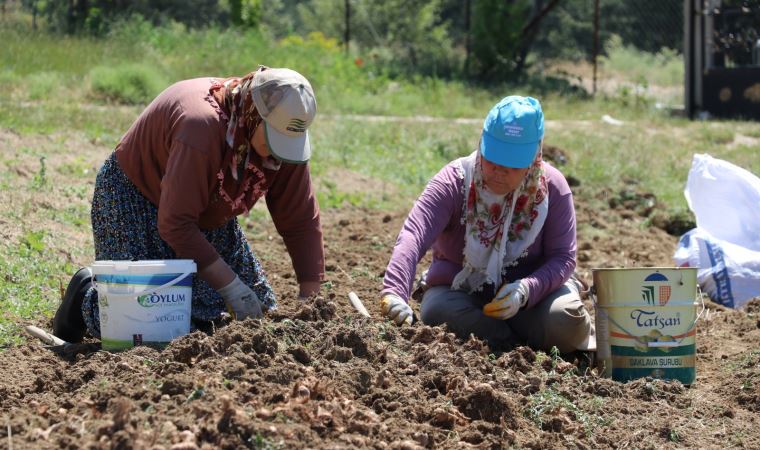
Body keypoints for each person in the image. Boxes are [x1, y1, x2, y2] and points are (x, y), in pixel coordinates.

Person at [53, 66, 324, 342]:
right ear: (254, 115)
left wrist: (309, 298)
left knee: (253, 313)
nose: (280, 151)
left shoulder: (282, 146)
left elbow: (300, 219)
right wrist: (231, 287)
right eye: (274, 138)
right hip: (136, 198)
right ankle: (86, 296)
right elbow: (176, 222)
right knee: (146, 327)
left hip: (205, 208)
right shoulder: (200, 127)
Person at [379, 95, 594, 355]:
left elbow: (563, 258)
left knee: (565, 320)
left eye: (512, 164)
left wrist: (526, 290)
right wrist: (395, 292)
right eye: (492, 159)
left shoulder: (553, 190)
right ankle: (515, 344)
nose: (498, 171)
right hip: (463, 292)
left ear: (534, 156)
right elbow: (414, 235)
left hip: (535, 297)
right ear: (482, 143)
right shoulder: (454, 182)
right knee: (438, 312)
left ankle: (519, 336)